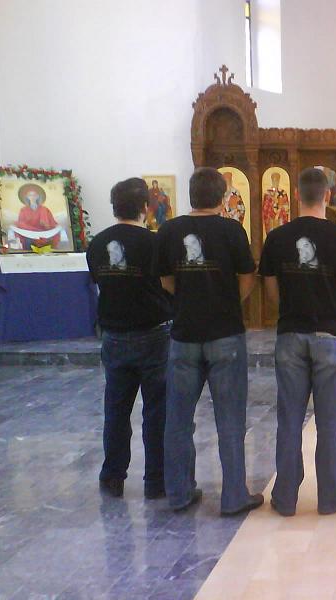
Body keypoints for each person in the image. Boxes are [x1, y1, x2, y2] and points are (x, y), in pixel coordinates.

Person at [155, 167, 263, 516]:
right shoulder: (231, 230)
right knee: (230, 418)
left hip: (184, 334)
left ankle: (179, 493)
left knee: (178, 419)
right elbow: (248, 276)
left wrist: (188, 301)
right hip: (225, 334)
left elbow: (166, 279)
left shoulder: (169, 230)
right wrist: (228, 302)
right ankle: (234, 497)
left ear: (191, 194)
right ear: (222, 197)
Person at [259, 167, 336, 517]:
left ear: (295, 195)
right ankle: (331, 496)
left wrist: (294, 312)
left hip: (290, 334)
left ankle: (285, 498)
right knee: (329, 423)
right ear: (328, 196)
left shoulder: (277, 238)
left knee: (289, 419)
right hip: (330, 336)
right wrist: (335, 314)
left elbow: (271, 290)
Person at [86, 177, 173, 499]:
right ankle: (156, 481)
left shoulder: (97, 243)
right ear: (146, 207)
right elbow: (168, 285)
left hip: (114, 335)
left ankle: (113, 477)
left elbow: (99, 281)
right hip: (154, 334)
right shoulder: (155, 243)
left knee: (116, 410)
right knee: (157, 412)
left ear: (114, 207)